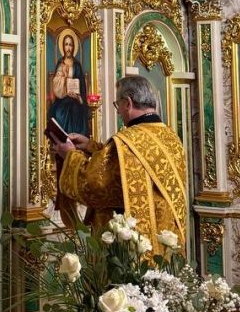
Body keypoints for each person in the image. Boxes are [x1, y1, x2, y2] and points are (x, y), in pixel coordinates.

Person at [52, 74, 187, 246]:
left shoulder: (127, 140)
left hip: (131, 246)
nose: (119, 112)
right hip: (165, 236)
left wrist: (70, 155)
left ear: (128, 103)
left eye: (118, 105)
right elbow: (128, 166)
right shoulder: (170, 137)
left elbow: (93, 185)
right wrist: (90, 146)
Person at [48, 33, 89, 137]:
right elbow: (56, 82)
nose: (68, 48)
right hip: (62, 98)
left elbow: (82, 85)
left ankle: (75, 140)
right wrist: (64, 78)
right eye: (66, 44)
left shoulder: (77, 65)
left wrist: (78, 97)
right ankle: (62, 139)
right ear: (63, 47)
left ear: (73, 47)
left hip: (75, 99)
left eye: (70, 45)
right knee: (58, 111)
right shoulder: (60, 63)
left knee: (75, 109)